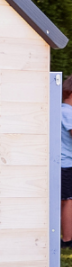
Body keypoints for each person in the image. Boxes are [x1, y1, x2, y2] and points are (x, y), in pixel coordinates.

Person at [62, 76, 72, 249]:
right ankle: (67, 240)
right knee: (68, 200)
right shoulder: (67, 112)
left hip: (64, 162)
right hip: (66, 163)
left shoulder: (61, 110)